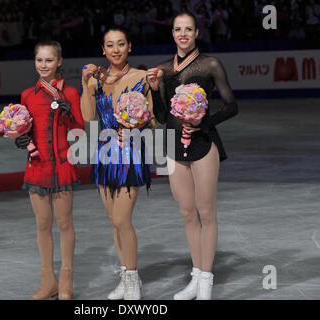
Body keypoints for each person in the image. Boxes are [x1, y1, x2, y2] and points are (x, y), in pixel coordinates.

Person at [146, 11, 238, 300]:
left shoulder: (210, 64)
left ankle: (206, 282)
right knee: (187, 213)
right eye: (177, 29)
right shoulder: (162, 69)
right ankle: (196, 278)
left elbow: (231, 106)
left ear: (197, 32)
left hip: (203, 144)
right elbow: (161, 117)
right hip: (174, 145)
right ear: (172, 33)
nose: (182, 34)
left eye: (188, 29)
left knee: (206, 211)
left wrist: (203, 122)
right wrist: (152, 89)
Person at [80, 28, 157, 300]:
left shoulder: (140, 77)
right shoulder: (95, 82)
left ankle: (134, 280)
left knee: (122, 218)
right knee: (113, 222)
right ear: (103, 50)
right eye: (110, 45)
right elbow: (89, 120)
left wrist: (136, 128)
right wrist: (84, 83)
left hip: (131, 153)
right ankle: (125, 278)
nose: (115, 49)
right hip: (105, 153)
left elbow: (154, 120)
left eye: (121, 44)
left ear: (129, 47)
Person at [13, 40, 84, 300]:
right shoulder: (27, 95)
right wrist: (21, 139)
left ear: (59, 62)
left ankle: (65, 279)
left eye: (49, 60)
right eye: (39, 60)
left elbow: (79, 131)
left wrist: (70, 115)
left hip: (63, 164)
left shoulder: (71, 93)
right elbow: (24, 128)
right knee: (43, 223)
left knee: (64, 223)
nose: (44, 65)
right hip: (38, 166)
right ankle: (48, 280)